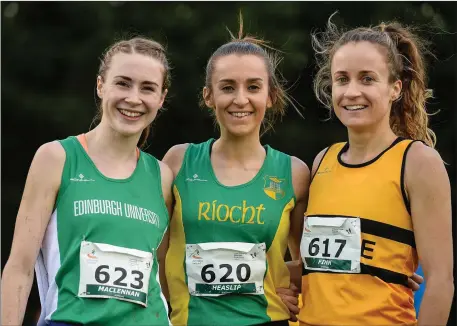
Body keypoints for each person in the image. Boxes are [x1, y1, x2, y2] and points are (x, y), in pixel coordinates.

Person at [1, 37, 174, 326]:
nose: (134, 98)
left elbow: (164, 272)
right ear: (100, 85)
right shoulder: (56, 158)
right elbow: (19, 267)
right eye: (123, 83)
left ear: (161, 98)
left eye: (147, 88)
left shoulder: (162, 176)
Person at [297, 16, 454, 325]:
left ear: (395, 87)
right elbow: (320, 267)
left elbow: (440, 281)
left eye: (367, 78)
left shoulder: (417, 162)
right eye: (342, 79)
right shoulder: (321, 162)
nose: (352, 91)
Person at [162, 16, 310, 326]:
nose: (240, 99)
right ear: (208, 96)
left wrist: (294, 288)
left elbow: (308, 261)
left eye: (253, 87)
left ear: (270, 96)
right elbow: (157, 255)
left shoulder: (294, 173)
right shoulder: (178, 162)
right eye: (227, 87)